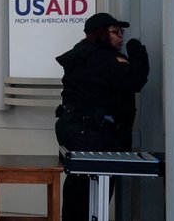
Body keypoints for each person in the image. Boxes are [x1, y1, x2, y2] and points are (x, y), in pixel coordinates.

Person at [54, 12, 149, 221]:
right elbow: (134, 81)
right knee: (95, 190)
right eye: (115, 32)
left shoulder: (80, 53)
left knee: (78, 186)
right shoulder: (105, 58)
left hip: (73, 128)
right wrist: (138, 53)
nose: (121, 36)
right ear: (100, 34)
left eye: (121, 31)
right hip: (92, 133)